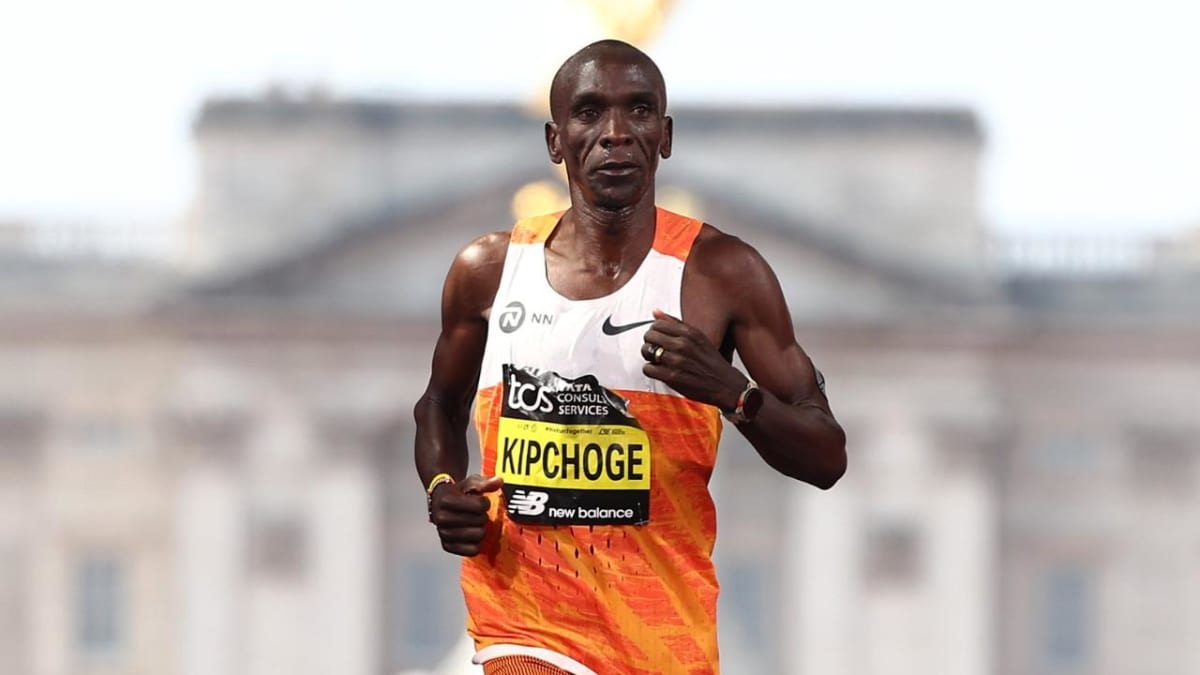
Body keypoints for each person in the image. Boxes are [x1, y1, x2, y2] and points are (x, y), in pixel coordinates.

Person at [413, 39, 846, 675]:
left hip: (662, 642)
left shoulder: (722, 274)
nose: (615, 133)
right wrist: (443, 487)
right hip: (524, 632)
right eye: (590, 113)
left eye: (638, 112)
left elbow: (826, 455)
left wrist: (731, 391)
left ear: (664, 136)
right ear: (555, 140)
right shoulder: (489, 271)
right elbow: (439, 406)